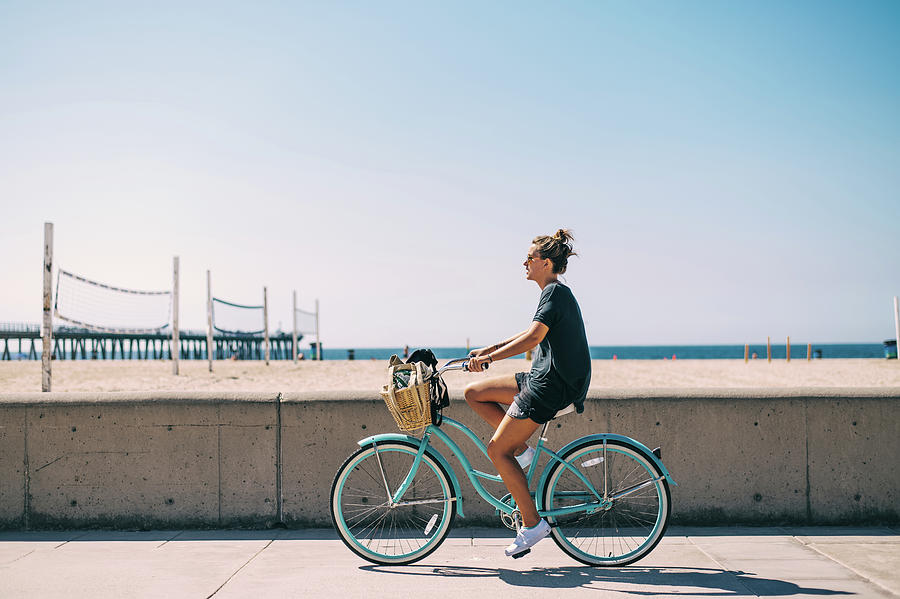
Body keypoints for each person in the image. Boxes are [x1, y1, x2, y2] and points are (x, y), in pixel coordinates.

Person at [465, 229, 591, 558]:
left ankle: (533, 524)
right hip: (541, 375)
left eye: (530, 258)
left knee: (496, 451)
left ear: (545, 262)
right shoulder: (552, 294)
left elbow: (534, 338)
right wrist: (490, 348)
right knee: (474, 393)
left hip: (551, 385)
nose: (525, 263)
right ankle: (521, 450)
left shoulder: (555, 293)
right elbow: (532, 330)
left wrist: (490, 359)